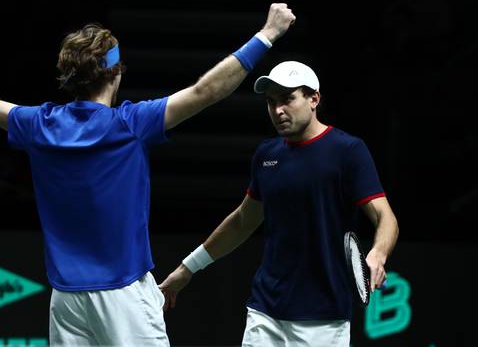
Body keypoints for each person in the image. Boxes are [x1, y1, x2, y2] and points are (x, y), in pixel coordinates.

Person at [0, 3, 296, 347]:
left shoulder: (38, 125)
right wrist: (267, 35)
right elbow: (206, 91)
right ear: (116, 73)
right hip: (123, 295)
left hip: (66, 300)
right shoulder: (129, 123)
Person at [159, 61, 399, 347]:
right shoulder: (266, 155)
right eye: (271, 102)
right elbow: (241, 222)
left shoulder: (347, 151)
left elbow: (385, 217)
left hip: (323, 318)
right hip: (265, 311)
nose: (278, 110)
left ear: (314, 99)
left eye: (287, 99)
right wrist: (187, 269)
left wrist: (378, 254)